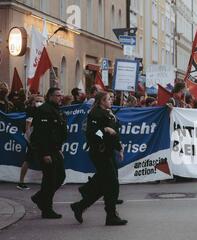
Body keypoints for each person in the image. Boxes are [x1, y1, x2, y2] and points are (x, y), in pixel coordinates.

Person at [71, 92, 128, 226]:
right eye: (108, 99)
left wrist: (119, 148)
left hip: (108, 151)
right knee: (112, 184)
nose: (111, 100)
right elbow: (92, 133)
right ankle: (111, 215)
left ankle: (81, 203)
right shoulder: (95, 114)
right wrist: (104, 129)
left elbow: (114, 133)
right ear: (101, 101)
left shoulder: (109, 112)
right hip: (99, 152)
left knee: (106, 185)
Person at [30, 88, 68, 219]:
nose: (60, 98)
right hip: (46, 150)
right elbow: (42, 135)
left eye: (61, 95)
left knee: (60, 177)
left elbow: (56, 133)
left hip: (54, 149)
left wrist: (58, 149)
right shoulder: (44, 111)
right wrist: (45, 153)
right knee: (50, 180)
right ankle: (47, 209)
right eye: (58, 95)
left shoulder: (56, 110)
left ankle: (40, 197)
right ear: (50, 96)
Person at [17, 95, 45, 191]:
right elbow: (27, 127)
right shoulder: (31, 111)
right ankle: (21, 182)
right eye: (37, 100)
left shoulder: (43, 110)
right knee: (29, 159)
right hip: (33, 138)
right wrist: (30, 140)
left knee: (43, 158)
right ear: (32, 102)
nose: (39, 102)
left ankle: (47, 180)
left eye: (41, 101)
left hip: (40, 137)